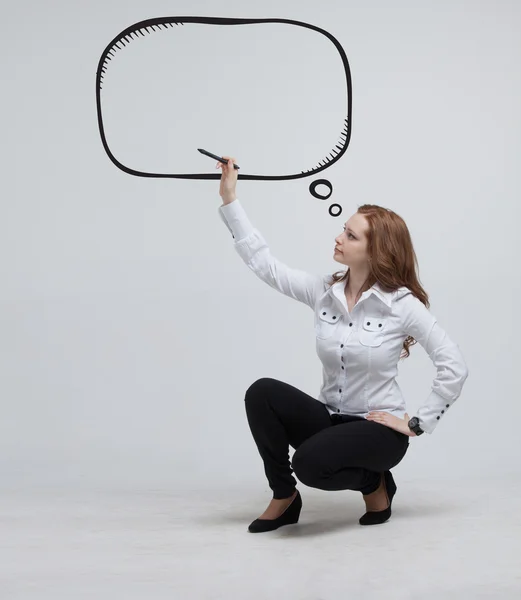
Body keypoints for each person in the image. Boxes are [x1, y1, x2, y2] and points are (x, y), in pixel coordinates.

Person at [216, 156, 469, 534]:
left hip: (377, 429)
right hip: (331, 418)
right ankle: (284, 495)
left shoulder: (402, 305)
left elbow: (454, 366)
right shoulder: (324, 292)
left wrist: (417, 423)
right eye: (343, 229)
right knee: (262, 393)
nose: (338, 237)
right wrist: (230, 198)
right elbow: (265, 265)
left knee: (309, 463)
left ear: (376, 251)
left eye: (351, 235)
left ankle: (375, 482)